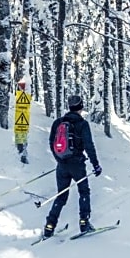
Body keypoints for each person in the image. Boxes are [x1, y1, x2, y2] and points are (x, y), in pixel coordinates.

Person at [44, 95, 102, 238]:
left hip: (62, 165)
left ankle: (49, 227)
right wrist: (96, 164)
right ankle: (84, 223)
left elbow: (52, 143)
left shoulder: (58, 122)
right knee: (84, 192)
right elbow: (89, 146)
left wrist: (59, 159)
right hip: (77, 165)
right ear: (81, 107)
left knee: (61, 196)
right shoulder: (82, 124)